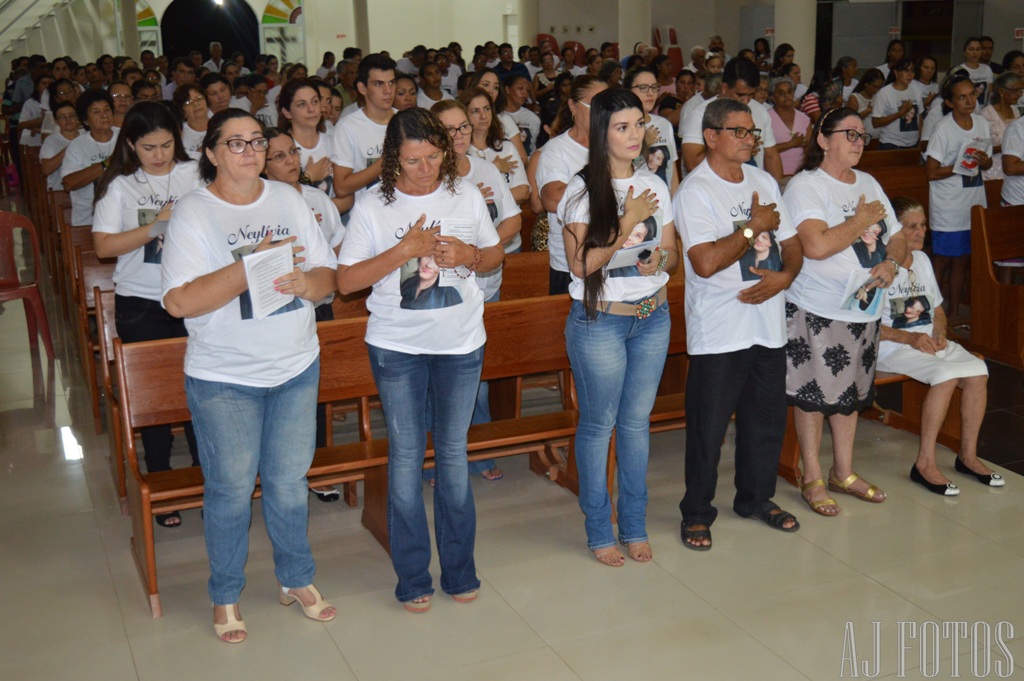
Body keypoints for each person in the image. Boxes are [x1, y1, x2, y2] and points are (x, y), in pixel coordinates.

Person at [161, 109, 338, 643]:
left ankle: (296, 578)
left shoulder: (289, 199)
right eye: (235, 143)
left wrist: (307, 284)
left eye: (257, 141)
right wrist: (250, 266)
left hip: (295, 365)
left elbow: (328, 276)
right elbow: (179, 302)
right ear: (211, 153)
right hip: (225, 376)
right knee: (231, 490)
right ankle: (225, 594)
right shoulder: (194, 212)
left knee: (288, 483)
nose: (250, 152)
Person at [336, 108, 504, 612]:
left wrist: (468, 256)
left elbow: (495, 254)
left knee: (453, 457)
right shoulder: (373, 204)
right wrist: (404, 250)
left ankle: (460, 570)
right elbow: (346, 281)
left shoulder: (464, 194)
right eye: (412, 160)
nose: (425, 169)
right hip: (397, 346)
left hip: (460, 343)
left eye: (433, 157)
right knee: (407, 456)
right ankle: (412, 577)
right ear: (393, 159)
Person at [674, 98, 802, 550]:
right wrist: (752, 227)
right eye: (740, 132)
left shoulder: (763, 180)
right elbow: (705, 262)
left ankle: (755, 499)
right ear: (711, 137)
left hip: (767, 325)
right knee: (708, 429)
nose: (750, 140)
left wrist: (786, 276)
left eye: (753, 133)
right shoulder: (696, 191)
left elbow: (792, 242)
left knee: (765, 422)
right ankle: (696, 512)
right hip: (719, 329)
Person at [557, 88, 677, 565]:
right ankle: (598, 529)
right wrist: (629, 220)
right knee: (599, 425)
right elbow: (581, 265)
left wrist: (657, 261)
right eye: (621, 127)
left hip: (652, 316)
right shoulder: (581, 190)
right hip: (601, 321)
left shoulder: (654, 184)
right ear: (601, 132)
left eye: (639, 124)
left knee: (635, 424)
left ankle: (634, 524)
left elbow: (671, 251)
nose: (634, 135)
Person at [783, 106, 906, 516]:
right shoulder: (806, 185)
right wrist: (860, 220)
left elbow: (898, 236)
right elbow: (816, 246)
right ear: (823, 139)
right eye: (849, 134)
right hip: (818, 308)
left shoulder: (868, 182)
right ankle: (813, 475)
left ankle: (844, 471)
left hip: (865, 308)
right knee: (813, 394)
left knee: (850, 394)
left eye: (861, 135)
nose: (858, 142)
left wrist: (891, 263)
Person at [92, 101, 204, 526]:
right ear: (131, 145)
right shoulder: (120, 186)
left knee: (201, 390)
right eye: (148, 147)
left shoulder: (196, 173)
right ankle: (160, 478)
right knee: (155, 398)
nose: (159, 155)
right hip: (141, 301)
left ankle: (205, 476)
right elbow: (104, 246)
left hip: (193, 294)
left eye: (166, 145)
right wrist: (156, 226)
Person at [879, 197, 1003, 494]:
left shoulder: (922, 260)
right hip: (891, 346)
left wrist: (940, 333)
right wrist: (910, 338)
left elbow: (936, 309)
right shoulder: (879, 266)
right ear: (893, 230)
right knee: (946, 376)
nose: (920, 232)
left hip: (926, 343)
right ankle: (924, 464)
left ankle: (968, 456)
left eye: (923, 225)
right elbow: (865, 326)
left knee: (977, 371)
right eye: (911, 226)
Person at [925, 72, 992, 320]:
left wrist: (983, 162)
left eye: (972, 95)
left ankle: (954, 312)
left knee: (963, 259)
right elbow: (931, 172)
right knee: (943, 259)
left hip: (973, 201)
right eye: (962, 97)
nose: (970, 101)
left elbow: (986, 163)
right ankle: (930, 310)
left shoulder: (982, 123)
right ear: (950, 102)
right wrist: (959, 166)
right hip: (949, 205)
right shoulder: (943, 129)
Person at [538, 75, 608, 294]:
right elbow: (552, 199)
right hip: (569, 262)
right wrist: (603, 184)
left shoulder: (615, 144)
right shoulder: (557, 149)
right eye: (594, 105)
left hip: (611, 256)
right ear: (573, 106)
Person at [681, 57, 782, 181]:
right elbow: (692, 163)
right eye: (740, 95)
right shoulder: (700, 114)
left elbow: (771, 156)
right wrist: (736, 149)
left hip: (750, 186)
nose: (746, 101)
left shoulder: (760, 111)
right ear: (724, 88)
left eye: (751, 95)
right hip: (711, 187)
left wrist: (776, 189)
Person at [332, 53, 397, 202]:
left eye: (392, 83)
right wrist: (385, 162)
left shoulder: (405, 121)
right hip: (367, 210)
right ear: (362, 88)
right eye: (379, 84)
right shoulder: (347, 127)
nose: (388, 90)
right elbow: (341, 187)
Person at [460, 87, 529, 206]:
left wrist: (486, 199)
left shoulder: (507, 147)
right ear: (464, 115)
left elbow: (523, 192)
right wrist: (493, 168)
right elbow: (462, 198)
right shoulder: (459, 151)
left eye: (487, 109)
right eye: (475, 111)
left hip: (508, 215)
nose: (483, 116)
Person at [62, 89, 119, 226]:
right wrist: (106, 163)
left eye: (107, 110)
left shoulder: (126, 137)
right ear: (85, 120)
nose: (104, 115)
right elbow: (69, 183)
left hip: (123, 217)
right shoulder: (77, 146)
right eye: (96, 112)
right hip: (89, 220)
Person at [624, 68, 679, 193]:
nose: (650, 93)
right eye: (643, 88)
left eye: (654, 87)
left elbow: (671, 171)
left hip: (663, 199)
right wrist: (644, 146)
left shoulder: (664, 124)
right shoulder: (622, 126)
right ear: (628, 91)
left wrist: (674, 201)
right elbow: (621, 169)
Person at [979, 72, 1023, 181]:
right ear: (1001, 91)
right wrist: (1005, 147)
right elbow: (980, 150)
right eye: (1015, 90)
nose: (1019, 94)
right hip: (992, 174)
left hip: (1014, 174)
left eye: (1021, 90)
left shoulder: (1015, 111)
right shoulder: (985, 115)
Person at [871, 59, 923, 150]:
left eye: (912, 71)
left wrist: (920, 139)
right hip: (890, 144)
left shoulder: (916, 91)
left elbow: (920, 117)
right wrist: (900, 113)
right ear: (896, 72)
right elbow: (875, 122)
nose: (910, 74)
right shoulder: (884, 93)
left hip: (913, 144)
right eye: (906, 70)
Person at [767, 77, 811, 180]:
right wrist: (791, 144)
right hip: (775, 174)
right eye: (781, 93)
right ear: (773, 97)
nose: (787, 96)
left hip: (800, 174)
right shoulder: (766, 118)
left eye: (789, 92)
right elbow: (764, 150)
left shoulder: (803, 118)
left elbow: (810, 148)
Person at [39, 100, 79, 191]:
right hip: (60, 190)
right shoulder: (51, 141)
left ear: (77, 117)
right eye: (63, 117)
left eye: (71, 116)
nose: (68, 120)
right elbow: (46, 169)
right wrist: (71, 147)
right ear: (56, 121)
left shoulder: (87, 137)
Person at [502, 75, 540, 156]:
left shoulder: (532, 118)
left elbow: (532, 146)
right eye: (520, 88)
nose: (525, 93)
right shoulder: (496, 115)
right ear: (507, 89)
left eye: (528, 90)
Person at [954, 37, 995, 107]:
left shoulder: (987, 69)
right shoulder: (959, 70)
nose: (975, 53)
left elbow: (990, 93)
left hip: (983, 109)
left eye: (978, 49)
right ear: (964, 52)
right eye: (971, 49)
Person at [173, 83, 208, 161]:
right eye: (188, 102)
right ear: (182, 110)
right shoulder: (179, 133)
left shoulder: (220, 124)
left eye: (199, 98)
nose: (196, 104)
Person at [847, 69, 885, 141]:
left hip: (879, 137)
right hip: (860, 138)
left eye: (880, 87)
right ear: (866, 83)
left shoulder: (879, 96)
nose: (877, 90)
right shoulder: (855, 98)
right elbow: (850, 120)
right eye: (874, 87)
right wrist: (868, 111)